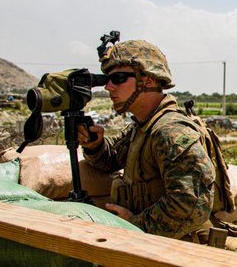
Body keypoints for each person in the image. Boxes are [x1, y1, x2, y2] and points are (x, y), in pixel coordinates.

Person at [78, 39, 216, 241]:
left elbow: (190, 205)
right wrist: (95, 145)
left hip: (181, 249)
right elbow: (111, 160)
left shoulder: (170, 132)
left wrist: (133, 226)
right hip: (154, 244)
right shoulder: (142, 127)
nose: (108, 87)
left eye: (118, 78)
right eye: (108, 79)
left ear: (149, 80)